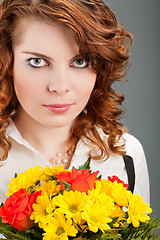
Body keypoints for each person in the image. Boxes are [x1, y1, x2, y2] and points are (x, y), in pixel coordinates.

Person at [0, 0, 149, 206]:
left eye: (80, 62)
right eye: (37, 61)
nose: (59, 87)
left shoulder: (126, 154)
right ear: (7, 63)